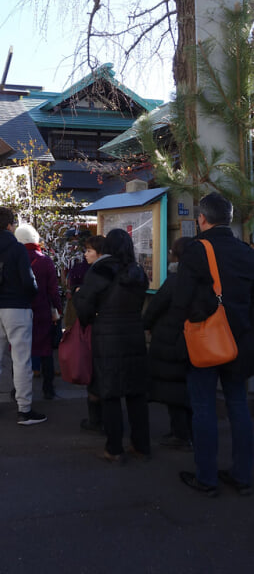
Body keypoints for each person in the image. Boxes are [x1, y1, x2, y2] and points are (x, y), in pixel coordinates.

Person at [173, 192, 254, 497]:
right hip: (241, 342)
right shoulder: (247, 251)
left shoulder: (196, 251)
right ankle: (242, 475)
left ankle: (206, 477)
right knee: (238, 406)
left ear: (202, 219)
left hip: (206, 342)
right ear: (230, 219)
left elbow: (181, 301)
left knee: (204, 406)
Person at [75, 228, 150, 463]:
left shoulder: (102, 270)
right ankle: (141, 446)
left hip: (107, 336)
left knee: (110, 392)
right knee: (136, 393)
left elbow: (85, 305)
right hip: (134, 334)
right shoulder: (138, 272)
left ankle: (114, 448)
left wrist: (87, 316)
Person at [0, 206, 45, 425]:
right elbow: (28, 281)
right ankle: (24, 409)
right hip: (18, 308)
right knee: (21, 360)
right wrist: (30, 294)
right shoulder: (17, 249)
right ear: (9, 225)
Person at [143, 236, 193, 450]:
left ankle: (181, 434)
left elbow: (155, 308)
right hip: (192, 340)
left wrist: (146, 324)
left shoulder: (175, 279)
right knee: (189, 390)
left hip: (170, 341)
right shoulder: (202, 278)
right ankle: (189, 432)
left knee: (174, 391)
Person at [15, 224, 62, 400]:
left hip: (19, 310)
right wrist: (58, 309)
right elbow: (53, 290)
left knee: (19, 353)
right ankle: (48, 389)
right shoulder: (45, 261)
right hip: (42, 311)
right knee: (45, 351)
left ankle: (17, 390)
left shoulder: (14, 259)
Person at [78, 234, 106, 433]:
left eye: (89, 250)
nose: (85, 254)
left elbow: (86, 307)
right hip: (117, 334)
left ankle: (96, 421)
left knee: (97, 376)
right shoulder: (123, 270)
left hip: (101, 332)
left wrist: (79, 294)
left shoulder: (97, 273)